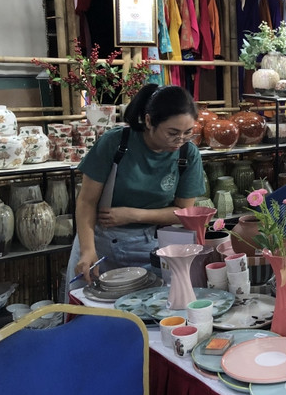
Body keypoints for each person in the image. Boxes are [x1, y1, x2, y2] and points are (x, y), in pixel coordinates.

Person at [66, 84, 205, 292]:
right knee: (91, 310)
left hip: (151, 246)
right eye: (173, 133)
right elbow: (86, 201)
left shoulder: (188, 154)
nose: (180, 140)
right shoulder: (116, 143)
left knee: (146, 312)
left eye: (188, 133)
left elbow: (183, 213)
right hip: (98, 243)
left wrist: (133, 215)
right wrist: (87, 251)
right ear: (149, 121)